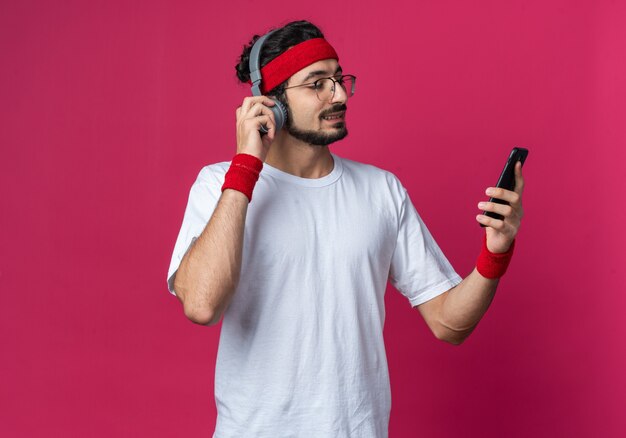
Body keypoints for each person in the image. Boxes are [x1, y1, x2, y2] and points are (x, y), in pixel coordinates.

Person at [167, 20, 525, 438]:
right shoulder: (219, 184)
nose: (338, 94)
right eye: (316, 83)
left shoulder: (381, 190)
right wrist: (246, 167)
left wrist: (495, 252)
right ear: (271, 101)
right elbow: (202, 305)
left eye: (338, 78)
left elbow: (449, 324)